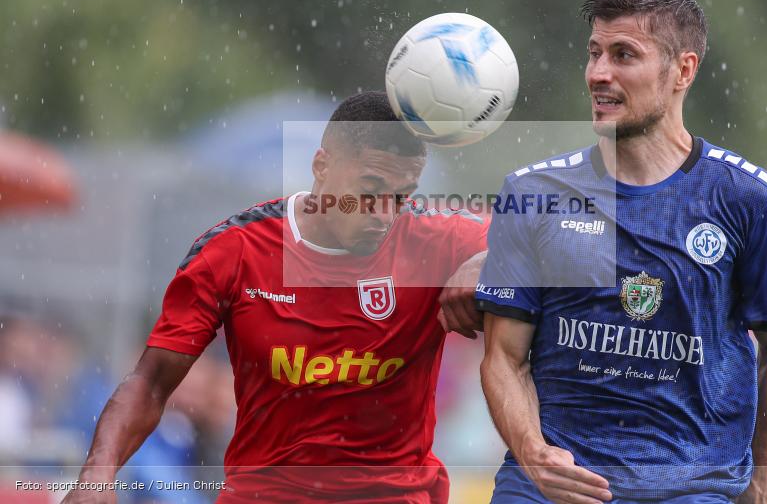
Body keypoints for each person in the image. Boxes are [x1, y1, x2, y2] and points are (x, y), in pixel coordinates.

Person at [63, 91, 488, 503]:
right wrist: (97, 477)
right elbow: (151, 383)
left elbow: (547, 229)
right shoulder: (233, 251)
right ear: (321, 165)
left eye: (401, 196)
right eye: (370, 188)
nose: (384, 214)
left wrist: (488, 258)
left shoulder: (437, 240)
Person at [477, 0, 767, 503]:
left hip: (688, 488)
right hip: (553, 485)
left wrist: (762, 484)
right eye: (594, 53)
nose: (598, 74)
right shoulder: (534, 193)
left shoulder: (747, 197)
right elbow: (503, 356)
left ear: (683, 71)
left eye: (623, 55)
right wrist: (534, 453)